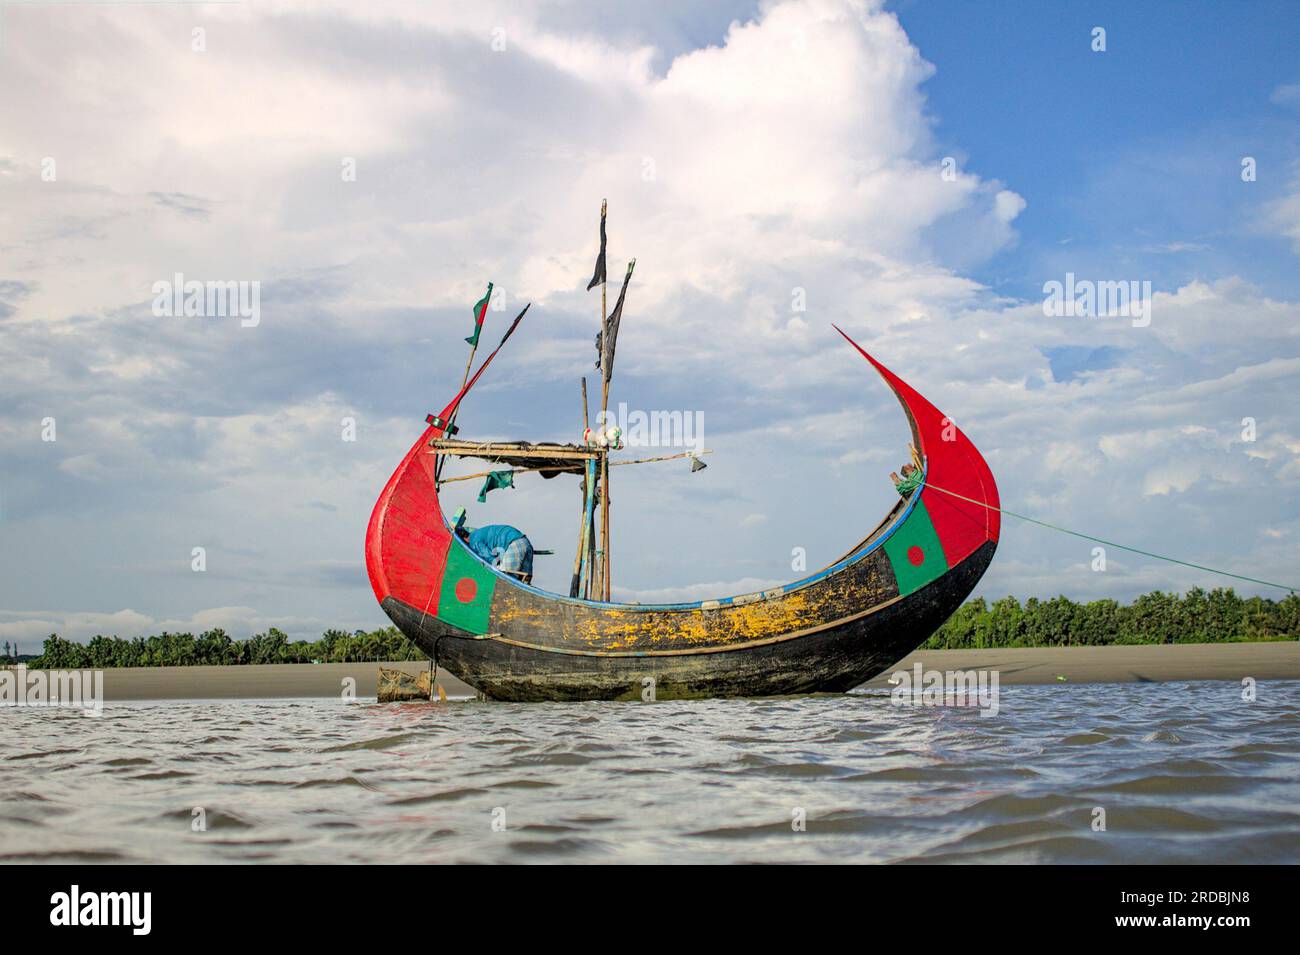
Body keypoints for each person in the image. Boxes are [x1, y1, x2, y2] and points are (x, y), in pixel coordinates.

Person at [451, 509, 534, 584]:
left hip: (513, 544)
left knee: (504, 579)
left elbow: (489, 558)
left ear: (462, 539)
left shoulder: (474, 542)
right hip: (524, 542)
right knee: (524, 582)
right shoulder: (478, 534)